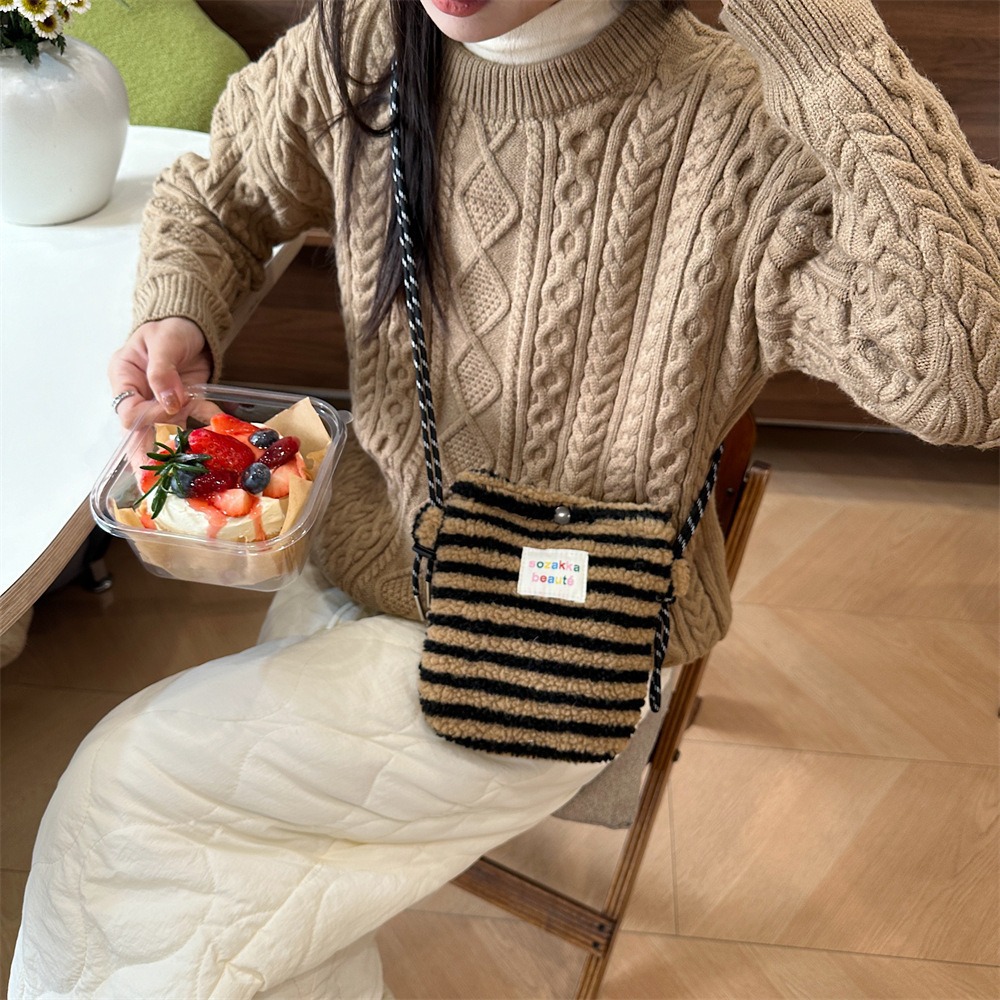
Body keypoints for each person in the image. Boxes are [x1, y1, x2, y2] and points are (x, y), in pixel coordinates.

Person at [11, 0, 999, 995]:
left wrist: (823, 42)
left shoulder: (740, 125)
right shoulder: (366, 39)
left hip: (567, 651)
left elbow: (967, 376)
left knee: (124, 801)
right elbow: (219, 196)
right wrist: (180, 312)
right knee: (247, 910)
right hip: (356, 571)